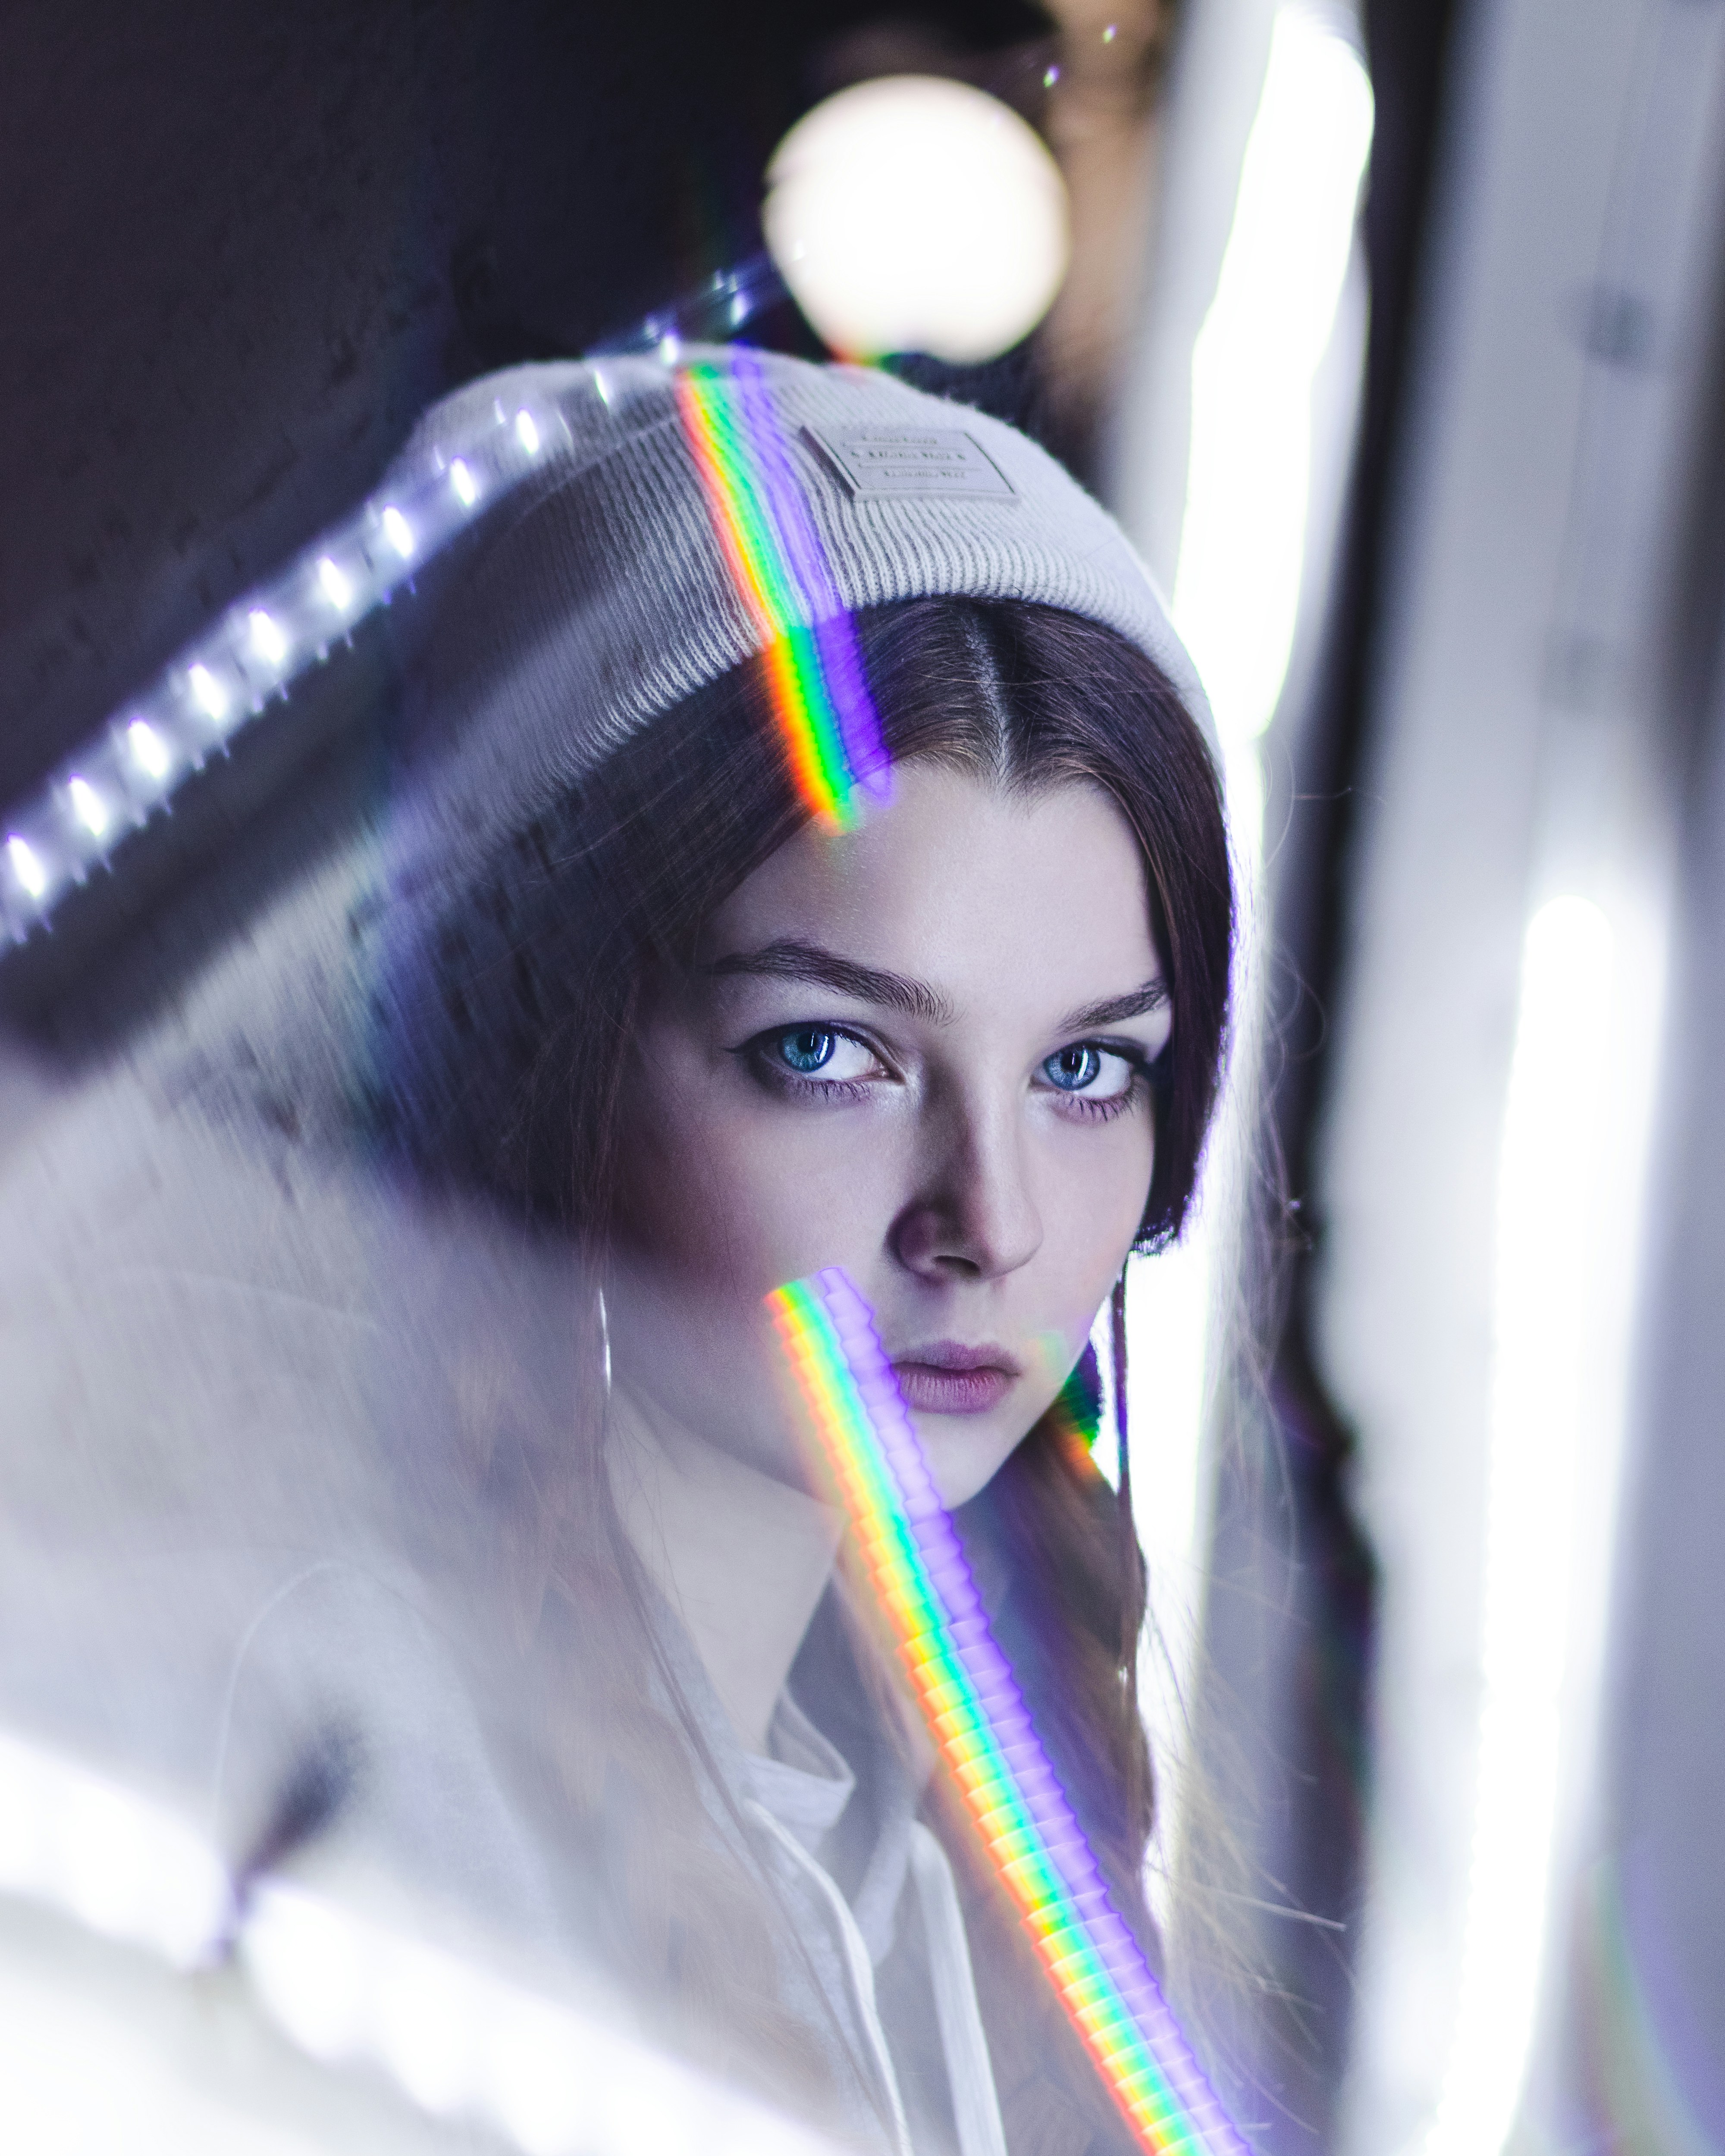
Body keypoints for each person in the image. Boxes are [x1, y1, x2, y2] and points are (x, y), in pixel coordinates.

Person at [205, 347, 1234, 2156]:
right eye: (827, 1053)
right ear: (531, 1046)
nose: (987, 1220)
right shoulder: (353, 1759)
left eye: (1086, 1069)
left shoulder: (901, 1804)